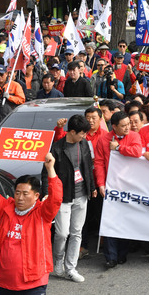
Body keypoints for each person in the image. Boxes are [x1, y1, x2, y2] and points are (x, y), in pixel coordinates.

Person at [0, 148, 62, 294]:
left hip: (33, 283)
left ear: (36, 196)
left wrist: (50, 169)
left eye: (25, 194)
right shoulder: (5, 210)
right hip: (5, 282)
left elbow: (56, 198)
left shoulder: (42, 213)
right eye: (17, 193)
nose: (20, 198)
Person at [41, 115, 95, 283]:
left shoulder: (84, 144)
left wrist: (91, 187)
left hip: (82, 195)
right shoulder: (57, 148)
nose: (84, 136)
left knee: (76, 232)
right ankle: (58, 259)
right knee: (62, 233)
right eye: (82, 133)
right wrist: (46, 193)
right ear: (72, 132)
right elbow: (46, 173)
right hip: (62, 197)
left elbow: (88, 166)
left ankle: (71, 268)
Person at [94, 111, 143, 268]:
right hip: (111, 186)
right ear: (113, 126)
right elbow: (99, 163)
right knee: (110, 221)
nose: (128, 127)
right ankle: (111, 257)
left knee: (125, 221)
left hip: (130, 186)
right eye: (124, 126)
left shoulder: (134, 136)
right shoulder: (103, 140)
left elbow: (136, 152)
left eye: (128, 124)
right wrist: (101, 184)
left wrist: (119, 147)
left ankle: (122, 254)